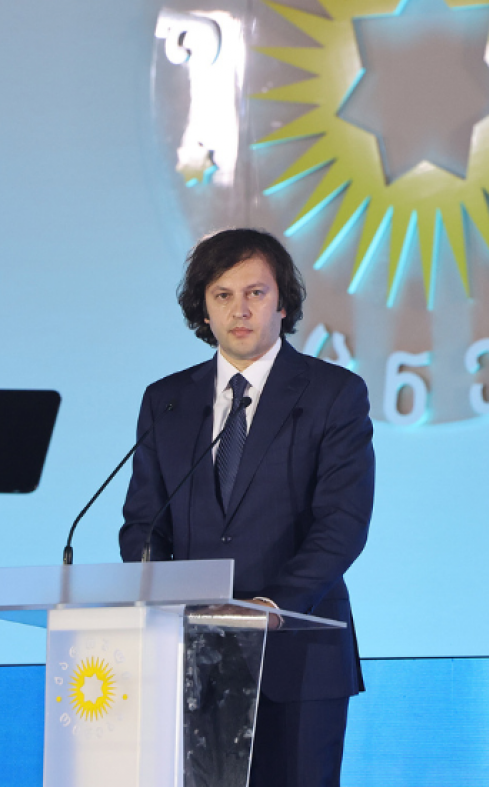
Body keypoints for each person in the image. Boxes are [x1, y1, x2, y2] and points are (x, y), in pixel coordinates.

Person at [118, 228, 375, 787]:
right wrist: (158, 596)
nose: (240, 309)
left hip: (297, 656)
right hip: (191, 657)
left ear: (283, 303)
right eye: (223, 295)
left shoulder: (333, 394)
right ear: (203, 310)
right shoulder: (166, 400)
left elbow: (342, 524)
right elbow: (143, 523)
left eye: (256, 293)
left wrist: (272, 605)